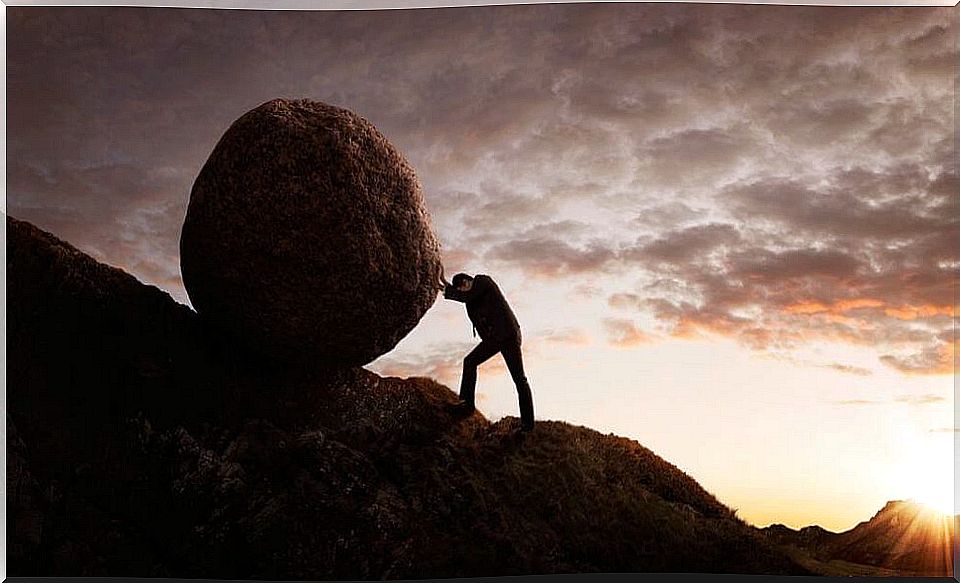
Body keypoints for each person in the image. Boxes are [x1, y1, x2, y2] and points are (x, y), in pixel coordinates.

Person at [439, 268, 534, 432]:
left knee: (519, 379)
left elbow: (466, 296)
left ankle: (527, 424)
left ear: (467, 282)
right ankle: (466, 404)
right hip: (495, 339)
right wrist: (449, 288)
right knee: (470, 362)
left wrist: (448, 290)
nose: (461, 292)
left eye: (461, 288)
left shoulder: (482, 281)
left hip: (508, 334)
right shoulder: (471, 302)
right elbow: (468, 301)